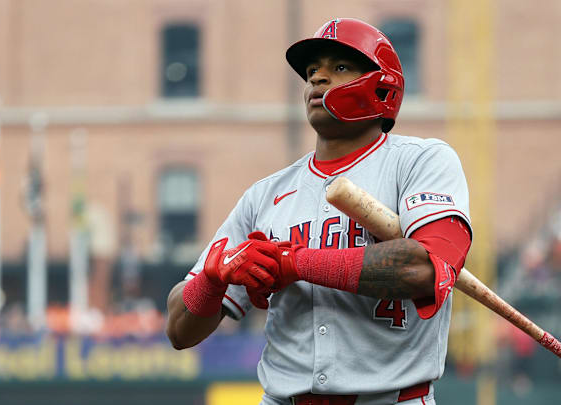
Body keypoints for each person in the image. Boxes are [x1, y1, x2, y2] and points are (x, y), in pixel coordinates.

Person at [166, 18, 473, 405]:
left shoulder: (421, 161)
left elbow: (424, 269)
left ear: (382, 84)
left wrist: (295, 263)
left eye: (339, 68)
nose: (317, 80)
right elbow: (179, 331)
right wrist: (212, 279)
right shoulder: (266, 195)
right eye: (312, 72)